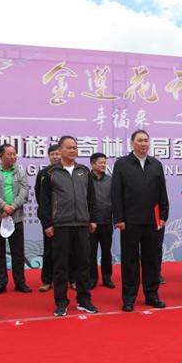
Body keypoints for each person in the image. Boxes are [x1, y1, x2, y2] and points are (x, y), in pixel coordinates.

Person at [39, 136, 99, 316]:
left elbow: (91, 198)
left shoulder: (84, 171)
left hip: (82, 224)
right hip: (61, 225)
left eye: (75, 147)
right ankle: (61, 302)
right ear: (61, 150)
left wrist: (92, 219)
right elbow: (44, 201)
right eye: (69, 148)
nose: (73, 150)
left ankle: (84, 300)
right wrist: (47, 223)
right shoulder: (50, 173)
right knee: (61, 266)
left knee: (83, 264)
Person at [112, 130, 169, 312]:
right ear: (132, 143)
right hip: (130, 221)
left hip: (152, 221)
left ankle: (152, 295)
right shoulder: (122, 164)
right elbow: (116, 193)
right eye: (140, 141)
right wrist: (119, 218)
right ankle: (129, 298)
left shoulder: (156, 164)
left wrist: (163, 216)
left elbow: (162, 192)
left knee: (152, 259)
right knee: (130, 260)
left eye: (146, 140)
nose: (144, 144)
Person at [0, 144, 31, 295]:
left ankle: (20, 282)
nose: (13, 157)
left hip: (16, 216)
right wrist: (3, 206)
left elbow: (25, 190)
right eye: (9, 154)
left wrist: (12, 207)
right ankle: (1, 282)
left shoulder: (20, 170)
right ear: (0, 155)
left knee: (18, 252)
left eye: (14, 154)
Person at [35, 144, 61, 292]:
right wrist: (47, 219)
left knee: (69, 250)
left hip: (67, 217)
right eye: (53, 154)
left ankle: (72, 279)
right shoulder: (44, 173)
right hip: (49, 218)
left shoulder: (68, 171)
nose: (56, 156)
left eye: (58, 153)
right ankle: (47, 280)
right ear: (49, 156)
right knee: (49, 250)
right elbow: (40, 196)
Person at [89, 152, 115, 289]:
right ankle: (92, 278)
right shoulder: (86, 179)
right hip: (91, 223)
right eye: (100, 162)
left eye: (105, 162)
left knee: (106, 251)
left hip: (106, 221)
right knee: (91, 252)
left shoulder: (110, 180)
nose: (103, 165)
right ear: (93, 164)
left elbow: (115, 201)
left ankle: (107, 277)